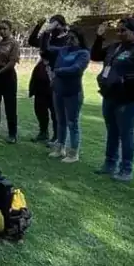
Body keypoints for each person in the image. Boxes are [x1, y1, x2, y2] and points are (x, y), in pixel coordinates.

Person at [91, 19, 134, 181]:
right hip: (109, 95)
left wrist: (125, 80)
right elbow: (95, 55)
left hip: (128, 98)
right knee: (112, 132)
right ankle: (109, 163)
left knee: (125, 134)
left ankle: (126, 169)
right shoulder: (115, 47)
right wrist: (99, 37)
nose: (119, 34)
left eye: (123, 31)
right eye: (118, 31)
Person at [42, 26, 90, 163]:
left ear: (79, 39)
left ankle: (73, 153)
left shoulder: (83, 53)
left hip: (73, 91)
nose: (70, 40)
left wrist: (58, 71)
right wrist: (46, 33)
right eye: (69, 37)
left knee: (72, 122)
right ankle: (59, 147)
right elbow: (47, 48)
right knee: (60, 121)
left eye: (73, 38)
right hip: (58, 90)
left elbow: (76, 69)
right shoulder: (63, 50)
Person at [28, 15, 70, 144]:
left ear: (62, 25)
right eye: (51, 24)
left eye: (55, 24)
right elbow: (32, 41)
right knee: (40, 107)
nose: (52, 27)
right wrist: (39, 26)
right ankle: (43, 132)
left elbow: (51, 51)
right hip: (40, 78)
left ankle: (57, 136)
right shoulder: (48, 38)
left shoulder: (67, 39)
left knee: (54, 109)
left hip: (54, 78)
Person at [29, 48, 56, 143]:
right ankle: (43, 133)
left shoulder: (55, 64)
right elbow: (34, 77)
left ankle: (56, 136)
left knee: (55, 115)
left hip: (52, 93)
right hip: (40, 93)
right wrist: (32, 90)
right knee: (40, 113)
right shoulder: (40, 64)